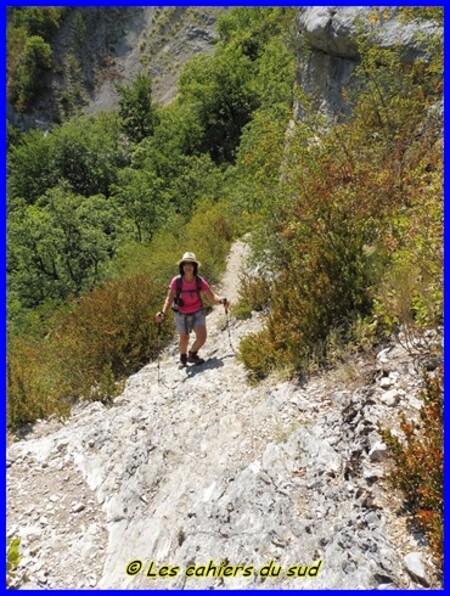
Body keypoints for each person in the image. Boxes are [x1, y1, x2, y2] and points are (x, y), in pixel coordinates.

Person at [155, 252, 230, 367]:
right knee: (184, 338)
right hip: (181, 314)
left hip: (197, 313)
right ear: (182, 266)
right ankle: (183, 358)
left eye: (191, 264)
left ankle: (192, 354)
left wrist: (221, 300)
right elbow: (169, 299)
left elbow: (212, 297)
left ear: (195, 266)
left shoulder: (199, 281)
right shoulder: (176, 281)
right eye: (185, 264)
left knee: (202, 337)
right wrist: (163, 313)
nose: (188, 266)